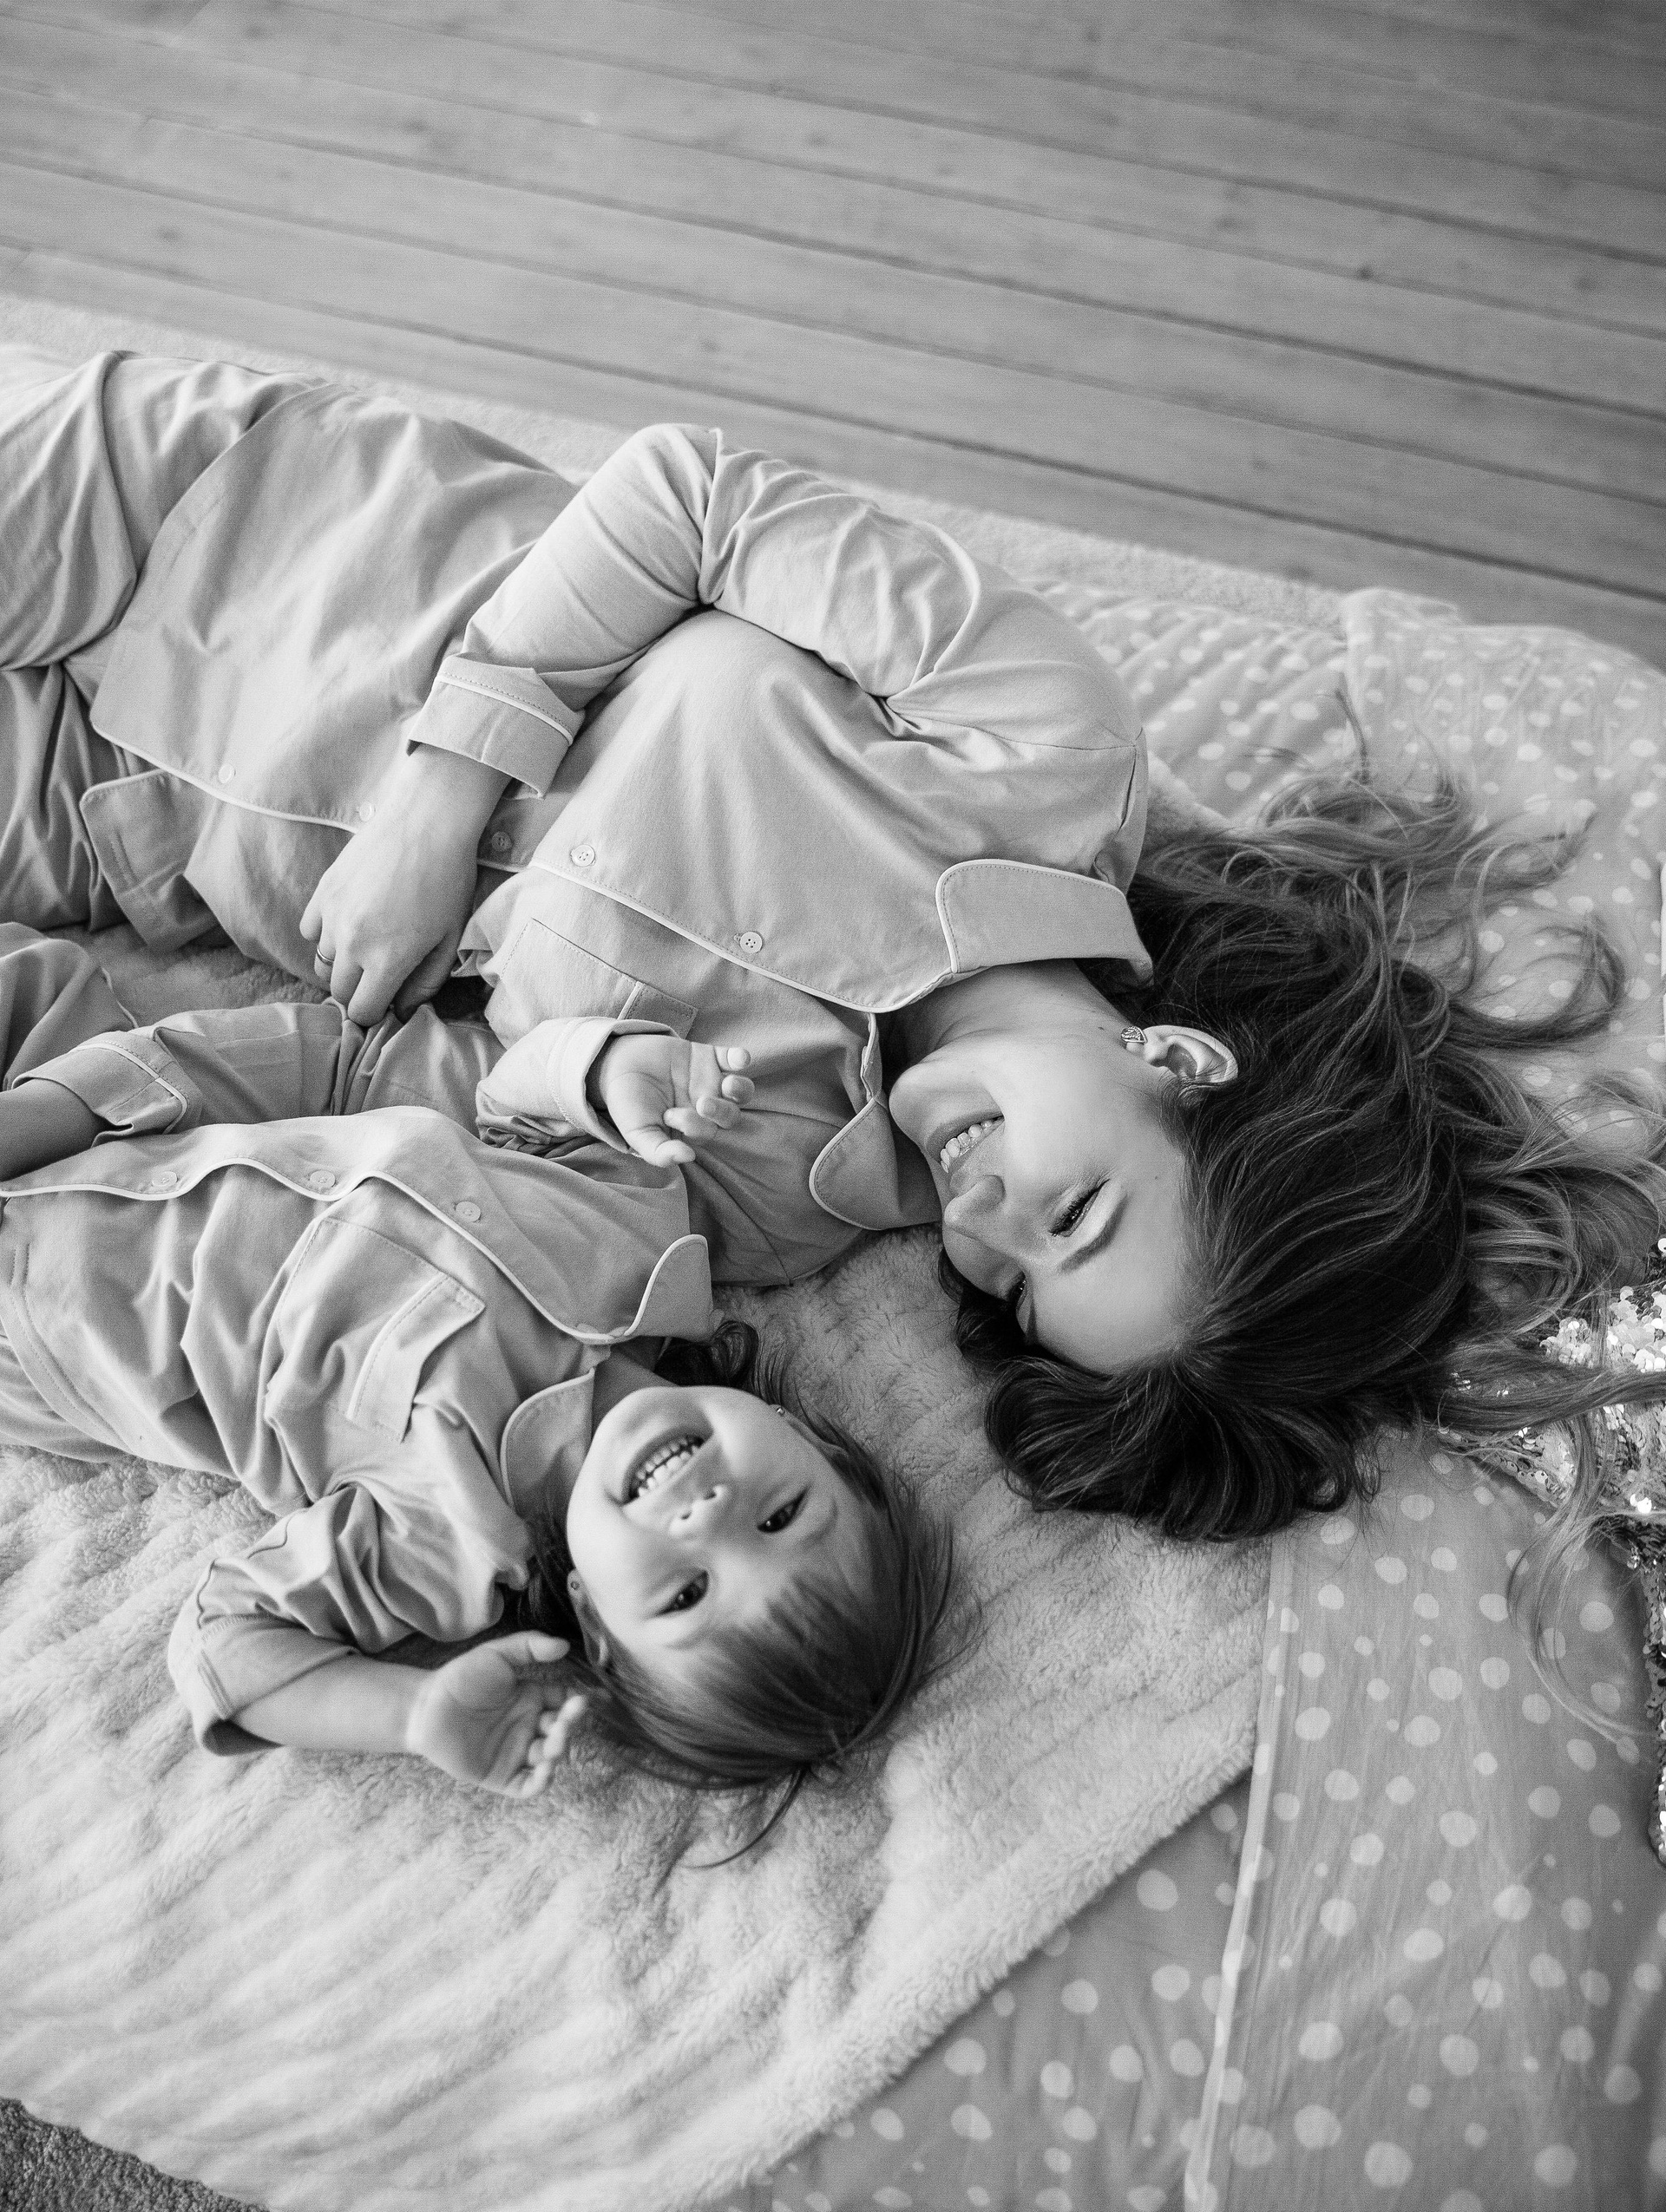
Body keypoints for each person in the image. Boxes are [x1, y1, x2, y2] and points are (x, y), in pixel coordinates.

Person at [3, 347, 1658, 1544]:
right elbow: (688, 496)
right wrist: (443, 794)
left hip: (107, 818)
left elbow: (408, 1077)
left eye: (1009, 1287)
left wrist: (556, 1078)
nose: (983, 1223)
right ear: (1176, 1061)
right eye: (1073, 1212)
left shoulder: (771, 1196)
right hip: (221, 528)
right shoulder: (1044, 758)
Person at [0, 928, 954, 1799]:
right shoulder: (650, 1242)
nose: (707, 1515)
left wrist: (411, 1714)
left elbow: (224, 1642)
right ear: (813, 1439)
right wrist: (606, 1071)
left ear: (594, 1620)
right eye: (780, 1515)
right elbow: (508, 1100)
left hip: (51, 1311)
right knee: (35, 973)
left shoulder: (450, 1536)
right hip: (143, 1106)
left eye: (686, 1592)